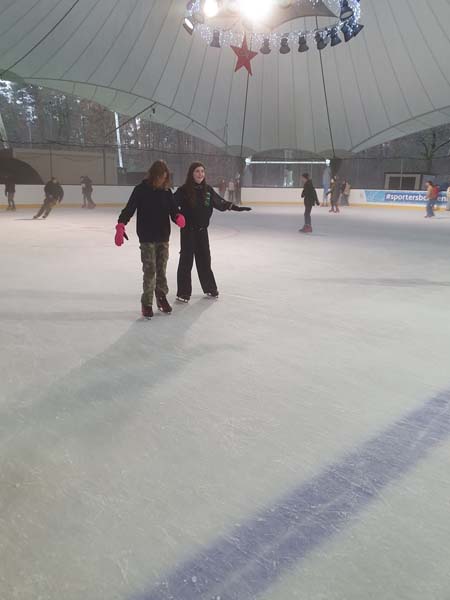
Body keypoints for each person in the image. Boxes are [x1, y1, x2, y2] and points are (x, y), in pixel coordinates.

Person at [115, 160, 186, 319]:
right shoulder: (140, 190)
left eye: (165, 178)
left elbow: (174, 210)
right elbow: (129, 209)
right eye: (160, 177)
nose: (162, 181)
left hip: (163, 237)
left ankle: (161, 298)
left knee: (161, 270)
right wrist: (121, 225)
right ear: (154, 176)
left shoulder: (167, 192)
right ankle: (147, 303)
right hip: (147, 237)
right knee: (150, 271)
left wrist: (178, 217)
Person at [174, 162, 251, 303]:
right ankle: (183, 292)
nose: (200, 174)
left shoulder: (207, 190)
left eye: (202, 171)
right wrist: (177, 216)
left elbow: (219, 202)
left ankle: (210, 288)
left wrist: (234, 207)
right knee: (186, 261)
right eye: (197, 171)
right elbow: (172, 205)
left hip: (202, 232)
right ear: (191, 173)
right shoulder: (183, 190)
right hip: (188, 232)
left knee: (205, 261)